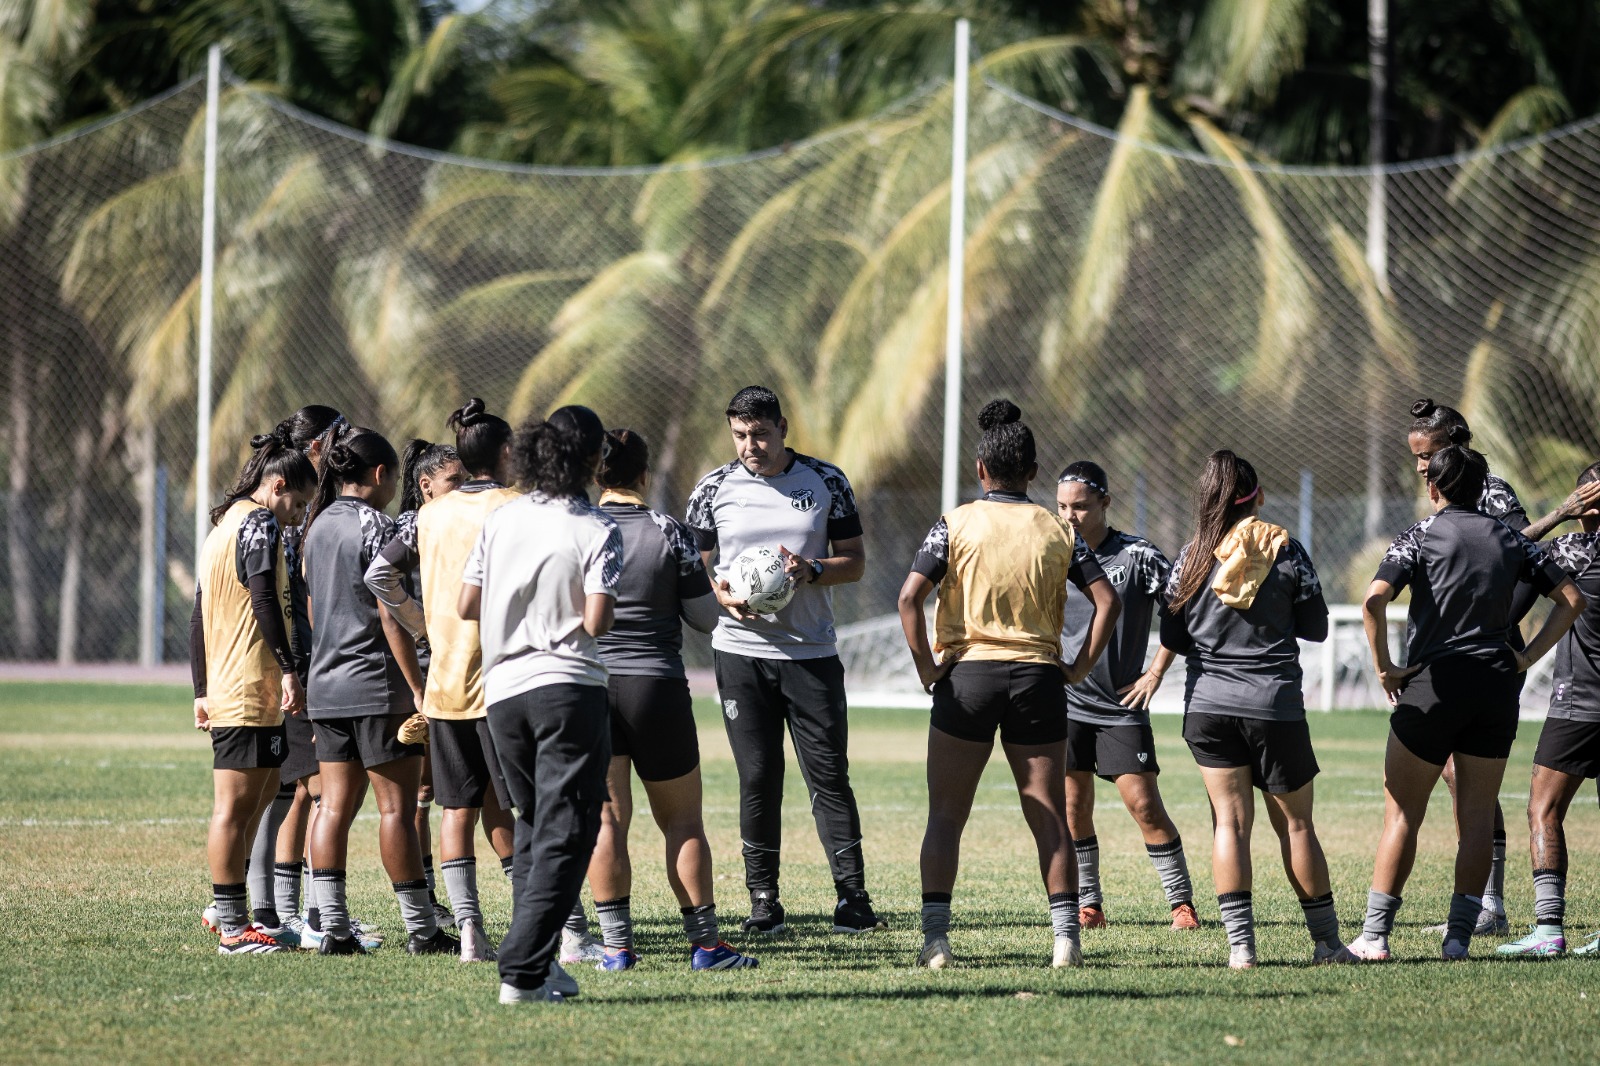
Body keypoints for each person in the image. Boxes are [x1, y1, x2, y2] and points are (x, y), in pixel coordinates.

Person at [899, 401, 1121, 970]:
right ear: (1033, 471)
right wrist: (1075, 667)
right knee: (1048, 812)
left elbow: (908, 598)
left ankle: (936, 942)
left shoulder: (955, 522)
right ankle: (1065, 941)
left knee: (946, 815)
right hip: (1037, 679)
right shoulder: (1056, 527)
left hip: (966, 677)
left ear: (980, 470)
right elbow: (1107, 600)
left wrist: (928, 668)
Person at [1352, 441, 1584, 961]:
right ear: (1483, 490)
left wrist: (1384, 666)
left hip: (1434, 686)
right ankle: (1458, 939)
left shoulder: (1420, 534)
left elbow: (1373, 600)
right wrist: (1526, 660)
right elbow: (1571, 599)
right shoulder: (1510, 538)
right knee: (1478, 816)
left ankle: (1374, 936)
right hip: (1495, 690)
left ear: (1432, 486)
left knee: (1402, 815)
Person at [684, 385, 882, 934]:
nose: (753, 445)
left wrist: (811, 569)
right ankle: (764, 902)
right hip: (740, 656)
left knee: (829, 777)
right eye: (741, 435)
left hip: (811, 654)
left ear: (783, 428)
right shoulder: (712, 489)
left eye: (762, 434)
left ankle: (853, 899)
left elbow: (857, 563)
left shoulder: (827, 482)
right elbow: (692, 566)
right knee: (758, 777)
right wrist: (719, 594)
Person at [1407, 398, 1600, 935]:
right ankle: (1486, 902)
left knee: (1471, 776)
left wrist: (1561, 514)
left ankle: (1488, 905)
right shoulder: (1446, 487)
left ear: (1454, 444)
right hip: (1448, 644)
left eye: (1428, 455)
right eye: (1417, 458)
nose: (1422, 467)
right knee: (1454, 773)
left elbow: (1517, 549)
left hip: (1487, 645)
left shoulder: (1490, 490)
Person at [1160, 450, 1352, 969]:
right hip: (1274, 707)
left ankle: (1241, 951)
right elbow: (1317, 627)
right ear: (1258, 496)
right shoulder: (1286, 551)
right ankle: (1328, 945)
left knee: (1229, 824)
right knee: (1296, 827)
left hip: (1207, 708)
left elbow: (1172, 633)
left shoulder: (1191, 555)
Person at [459, 404, 622, 1005]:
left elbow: (465, 603)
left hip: (502, 691)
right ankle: (522, 970)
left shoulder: (502, 519)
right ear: (593, 459)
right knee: (568, 830)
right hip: (567, 685)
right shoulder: (596, 527)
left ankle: (543, 964)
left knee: (533, 827)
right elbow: (597, 620)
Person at [587, 429, 758, 972]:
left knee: (607, 821)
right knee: (682, 823)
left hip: (591, 687)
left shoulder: (578, 530)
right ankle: (706, 946)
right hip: (656, 688)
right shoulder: (669, 532)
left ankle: (616, 950)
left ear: (597, 475)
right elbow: (706, 618)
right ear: (643, 475)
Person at [365, 402, 518, 963]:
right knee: (505, 805)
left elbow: (380, 576)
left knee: (459, 807)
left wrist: (424, 624)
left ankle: (469, 929)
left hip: (448, 682)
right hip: (497, 683)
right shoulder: (511, 507)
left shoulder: (427, 518)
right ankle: (558, 929)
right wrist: (420, 623)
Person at [301, 429, 457, 957]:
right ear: (378, 476)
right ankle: (422, 929)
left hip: (326, 685)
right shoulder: (379, 525)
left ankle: (334, 930)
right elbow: (392, 617)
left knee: (332, 809)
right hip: (376, 686)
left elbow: (314, 609)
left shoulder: (316, 525)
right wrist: (418, 686)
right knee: (396, 810)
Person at [1055, 461, 1198, 932]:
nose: (1069, 516)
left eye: (1080, 507)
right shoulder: (1053, 553)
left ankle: (1181, 903)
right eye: (1061, 507)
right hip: (1066, 702)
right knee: (1073, 807)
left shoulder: (1137, 555)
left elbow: (1182, 611)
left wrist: (1155, 671)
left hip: (1120, 707)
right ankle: (1090, 904)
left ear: (1105, 504)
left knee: (1143, 805)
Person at [190, 428, 316, 954]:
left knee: (263, 796)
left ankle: (230, 912)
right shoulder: (258, 522)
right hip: (247, 683)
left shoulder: (223, 527)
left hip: (239, 685)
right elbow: (263, 598)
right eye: (299, 502)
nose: (299, 515)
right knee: (235, 808)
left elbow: (199, 614)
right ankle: (231, 927)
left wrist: (199, 686)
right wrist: (289, 667)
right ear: (277, 484)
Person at [1499, 461, 1600, 958]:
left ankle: (1548, 929)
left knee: (1544, 808)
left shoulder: (1572, 549)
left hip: (1579, 703)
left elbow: (1505, 554)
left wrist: (1560, 514)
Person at [395, 438, 465, 930]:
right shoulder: (411, 527)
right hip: (422, 672)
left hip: (462, 668)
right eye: (453, 483)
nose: (462, 491)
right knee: (421, 791)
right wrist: (424, 631)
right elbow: (382, 593)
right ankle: (428, 899)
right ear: (426, 486)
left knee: (461, 794)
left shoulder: (465, 518)